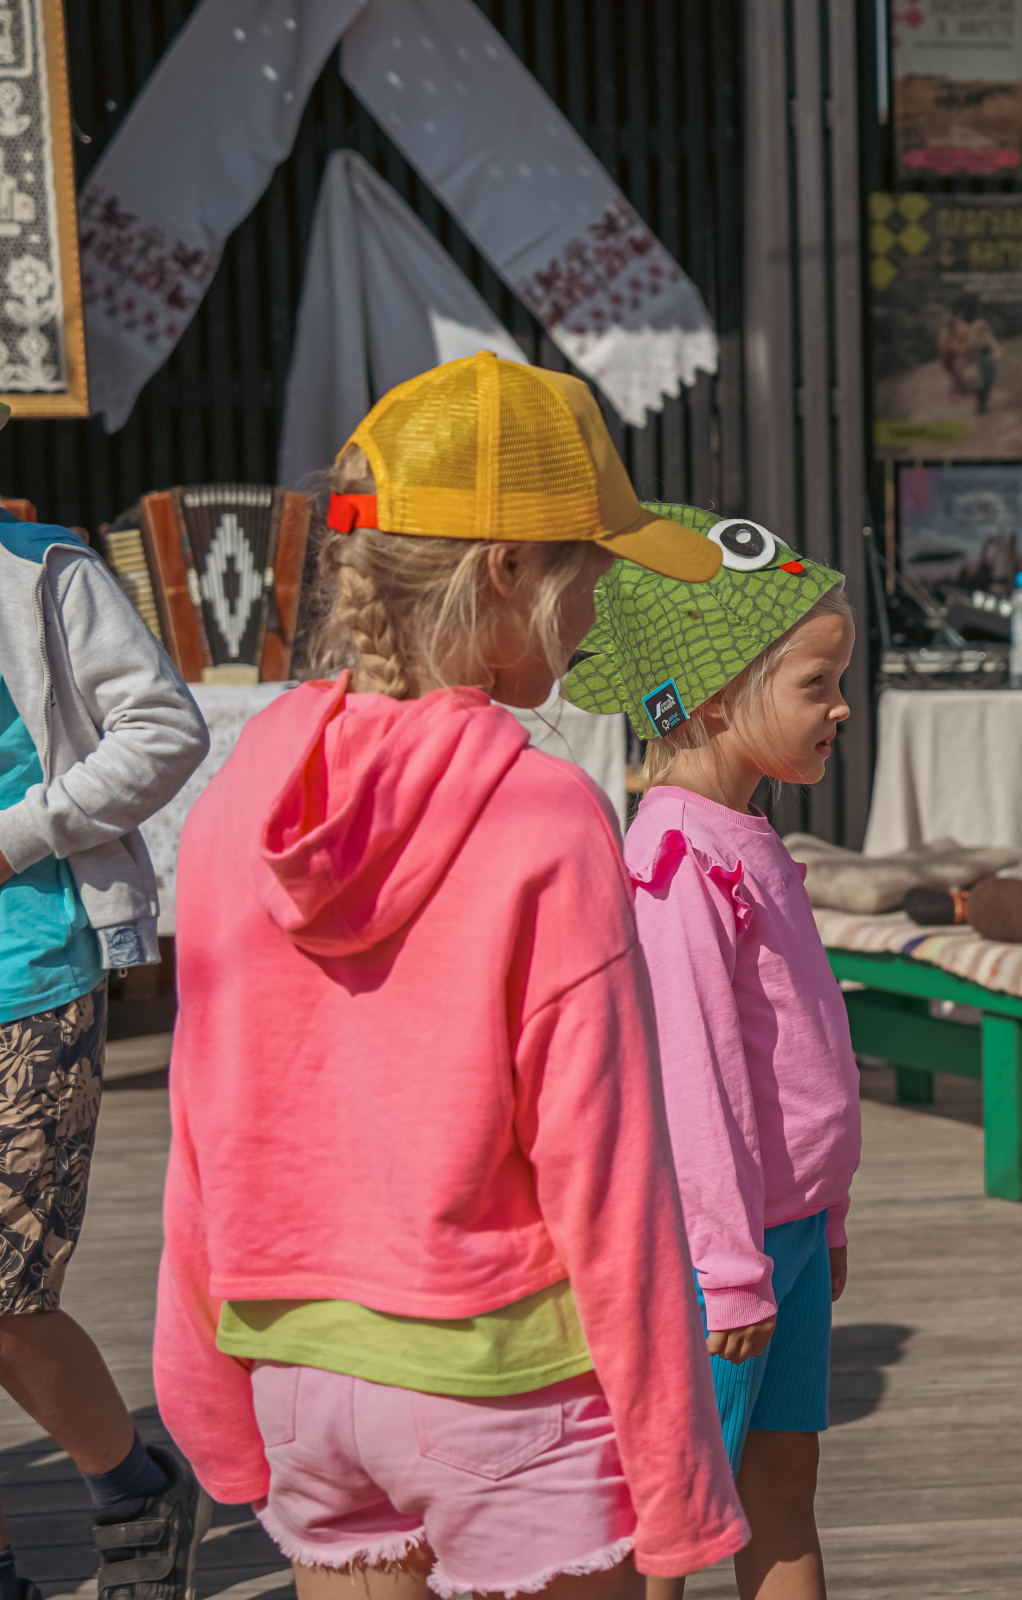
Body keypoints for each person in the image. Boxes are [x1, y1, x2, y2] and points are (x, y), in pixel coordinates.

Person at [154, 352, 746, 1600]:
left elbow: (200, 1113)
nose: (597, 613)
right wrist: (680, 1483)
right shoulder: (547, 812)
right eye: (592, 571)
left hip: (296, 1380)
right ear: (509, 570)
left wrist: (202, 1396)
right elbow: (609, 1173)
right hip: (507, 1385)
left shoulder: (243, 788)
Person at [561, 508, 861, 1600]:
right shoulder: (678, 858)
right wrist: (731, 1272)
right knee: (681, 1516)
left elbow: (796, 1054)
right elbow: (694, 1083)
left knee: (782, 1489)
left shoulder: (745, 834)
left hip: (785, 1231)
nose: (841, 707)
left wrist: (825, 1216)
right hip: (718, 1257)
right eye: (818, 684)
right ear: (720, 695)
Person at [0, 427, 209, 1600]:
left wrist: (16, 836)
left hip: (28, 975)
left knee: (5, 1298)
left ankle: (131, 1487)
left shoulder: (46, 574)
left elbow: (164, 728)